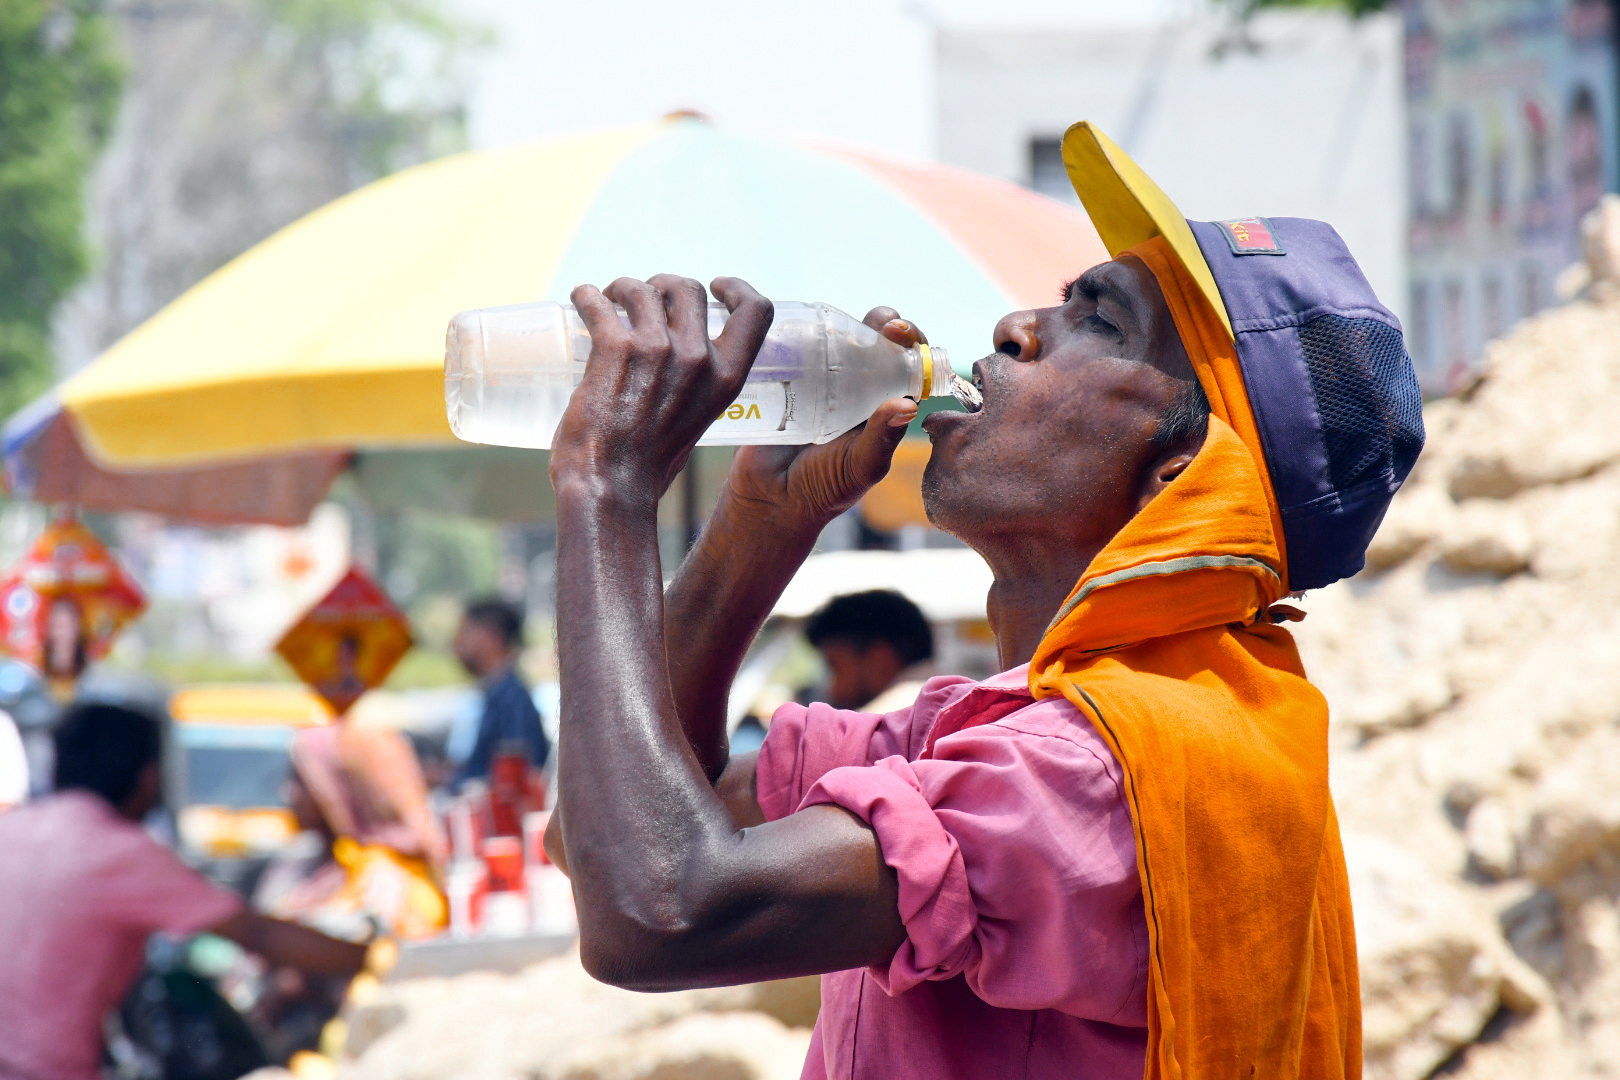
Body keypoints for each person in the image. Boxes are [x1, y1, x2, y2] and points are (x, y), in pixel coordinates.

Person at [540, 121, 1423, 1079]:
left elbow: (659, 913)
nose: (1015, 329)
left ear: (1181, 479)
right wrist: (760, 522)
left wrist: (610, 489)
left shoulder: (1093, 774)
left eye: (1101, 322)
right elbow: (614, 831)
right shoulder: (1018, 729)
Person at [0, 702, 367, 1080]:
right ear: (149, 778)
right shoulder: (121, 852)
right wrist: (379, 961)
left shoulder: (10, 829)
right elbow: (258, 933)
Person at [449, 598, 549, 788]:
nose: (457, 641)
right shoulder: (496, 697)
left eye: (465, 631)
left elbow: (516, 782)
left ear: (491, 637)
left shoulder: (513, 702)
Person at [804, 589, 935, 712]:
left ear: (880, 659)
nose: (832, 690)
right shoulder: (946, 701)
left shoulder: (891, 720)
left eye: (835, 667)